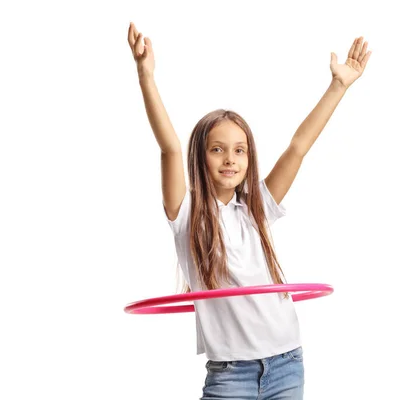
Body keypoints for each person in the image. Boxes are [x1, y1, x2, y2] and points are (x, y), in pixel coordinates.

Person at [127, 21, 371, 400]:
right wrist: (146, 76)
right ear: (200, 157)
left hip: (287, 362)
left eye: (239, 150)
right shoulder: (187, 214)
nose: (230, 159)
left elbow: (297, 148)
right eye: (217, 149)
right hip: (230, 375)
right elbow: (169, 148)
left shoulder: (257, 208)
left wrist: (338, 86)